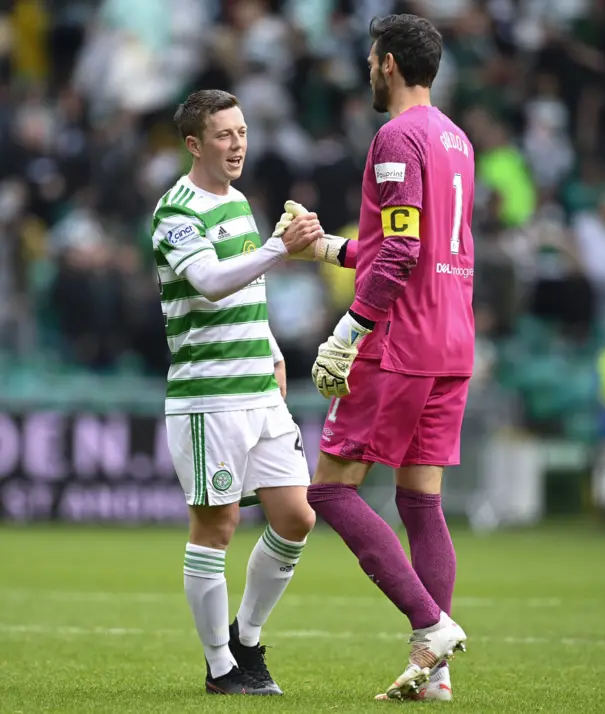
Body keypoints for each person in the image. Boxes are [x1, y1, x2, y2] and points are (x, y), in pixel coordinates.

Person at [290, 14, 475, 702]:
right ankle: (436, 674)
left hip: (400, 340)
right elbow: (415, 245)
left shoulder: (395, 138)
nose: (368, 69)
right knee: (419, 501)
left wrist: (349, 329)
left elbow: (399, 254)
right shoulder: (456, 138)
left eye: (372, 59)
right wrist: (329, 249)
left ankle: (429, 624)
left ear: (389, 64)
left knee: (330, 489)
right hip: (454, 337)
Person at [151, 89, 322, 696]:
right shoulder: (175, 211)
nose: (238, 144)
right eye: (224, 135)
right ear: (194, 144)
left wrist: (272, 348)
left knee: (297, 516)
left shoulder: (241, 201)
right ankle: (221, 667)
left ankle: (247, 639)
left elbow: (248, 293)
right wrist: (281, 247)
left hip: (258, 386)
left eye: (242, 132)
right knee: (217, 526)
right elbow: (210, 280)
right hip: (209, 396)